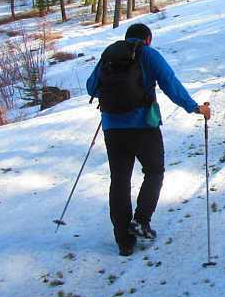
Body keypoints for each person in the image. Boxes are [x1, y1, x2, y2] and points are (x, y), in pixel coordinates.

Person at [86, 22, 211, 256]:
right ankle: (141, 221)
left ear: (126, 38)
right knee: (154, 171)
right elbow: (170, 83)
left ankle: (123, 240)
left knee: (120, 180)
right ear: (148, 39)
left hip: (112, 127)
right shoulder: (148, 54)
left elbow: (91, 88)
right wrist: (195, 108)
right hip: (143, 124)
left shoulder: (110, 54)